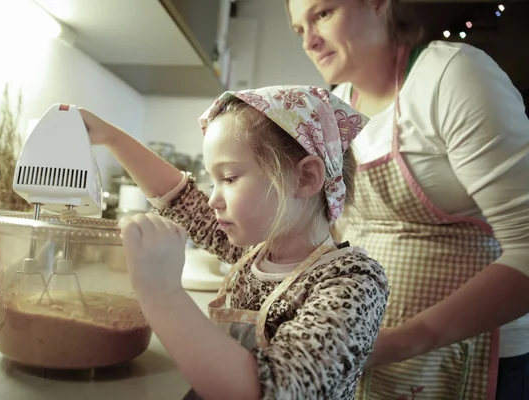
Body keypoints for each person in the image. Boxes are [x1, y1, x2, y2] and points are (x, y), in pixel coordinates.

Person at [78, 85, 389, 399]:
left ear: (305, 178)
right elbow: (180, 199)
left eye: (228, 178)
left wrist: (163, 294)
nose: (213, 199)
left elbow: (273, 389)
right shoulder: (253, 251)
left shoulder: (352, 282)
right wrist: (110, 138)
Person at [285, 0, 529, 399]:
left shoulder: (451, 76)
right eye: (299, 29)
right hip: (374, 355)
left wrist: (403, 341)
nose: (310, 41)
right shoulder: (336, 107)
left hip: (472, 355)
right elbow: (336, 230)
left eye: (323, 14)